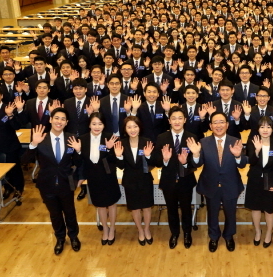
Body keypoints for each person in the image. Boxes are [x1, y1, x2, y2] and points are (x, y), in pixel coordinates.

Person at [22, 109, 81, 255]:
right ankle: (60, 238)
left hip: (66, 183)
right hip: (46, 184)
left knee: (70, 212)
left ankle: (73, 236)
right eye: (56, 118)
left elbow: (79, 163)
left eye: (63, 119)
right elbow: (24, 161)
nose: (59, 121)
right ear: (50, 120)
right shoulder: (41, 138)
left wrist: (79, 152)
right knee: (54, 214)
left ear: (66, 122)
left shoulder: (72, 138)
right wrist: (33, 144)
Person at [187, 112, 248, 253]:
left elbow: (242, 164)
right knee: (212, 213)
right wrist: (196, 154)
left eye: (222, 122)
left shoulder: (235, 140)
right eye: (215, 122)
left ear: (227, 125)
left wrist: (238, 156)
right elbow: (197, 164)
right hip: (210, 184)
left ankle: (228, 236)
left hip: (230, 183)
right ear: (210, 126)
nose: (218, 125)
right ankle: (213, 237)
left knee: (230, 213)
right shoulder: (203, 142)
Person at [70, 113, 121, 245]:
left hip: (108, 176)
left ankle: (112, 228)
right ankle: (105, 229)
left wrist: (109, 149)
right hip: (93, 177)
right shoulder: (82, 139)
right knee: (100, 205)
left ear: (104, 125)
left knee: (111, 204)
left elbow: (115, 160)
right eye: (94, 124)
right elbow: (78, 162)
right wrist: (78, 151)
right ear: (89, 125)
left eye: (100, 124)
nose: (97, 127)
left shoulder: (110, 137)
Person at [152, 106, 198, 249]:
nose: (177, 121)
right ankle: (174, 233)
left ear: (185, 120)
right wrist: (165, 160)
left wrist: (186, 163)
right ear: (169, 121)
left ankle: (187, 233)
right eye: (174, 118)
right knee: (171, 209)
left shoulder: (192, 137)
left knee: (186, 209)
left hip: (186, 180)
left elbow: (195, 163)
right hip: (168, 180)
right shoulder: (161, 138)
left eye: (180, 118)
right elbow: (157, 161)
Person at [114, 116, 156, 245]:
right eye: (129, 127)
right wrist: (119, 156)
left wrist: (148, 155)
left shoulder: (146, 141)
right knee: (135, 208)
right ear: (125, 129)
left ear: (139, 127)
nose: (133, 129)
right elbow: (121, 166)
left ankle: (147, 229)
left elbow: (154, 163)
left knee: (147, 207)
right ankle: (140, 230)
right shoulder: (121, 143)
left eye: (135, 126)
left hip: (145, 179)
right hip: (130, 180)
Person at [244, 116, 273, 248]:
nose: (265, 130)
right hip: (254, 179)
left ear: (272, 129)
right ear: (258, 129)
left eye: (268, 127)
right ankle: (258, 231)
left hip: (270, 180)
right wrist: (257, 151)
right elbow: (252, 162)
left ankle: (269, 232)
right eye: (262, 127)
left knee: (269, 209)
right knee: (255, 208)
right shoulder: (252, 141)